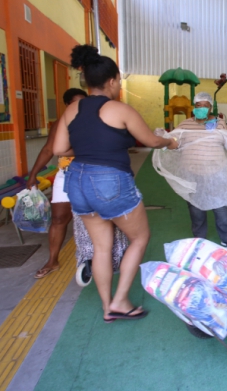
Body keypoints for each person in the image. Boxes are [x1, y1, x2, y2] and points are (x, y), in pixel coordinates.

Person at [53, 44, 178, 323]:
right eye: (119, 80)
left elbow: (60, 148)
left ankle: (108, 305)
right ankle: (120, 301)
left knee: (101, 247)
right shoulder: (119, 109)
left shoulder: (73, 108)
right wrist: (171, 142)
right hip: (109, 180)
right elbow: (150, 141)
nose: (119, 84)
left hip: (76, 181)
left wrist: (89, 148)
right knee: (140, 237)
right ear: (110, 81)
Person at [155, 91, 227, 250]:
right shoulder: (185, 125)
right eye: (198, 105)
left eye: (205, 106)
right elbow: (176, 145)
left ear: (211, 108)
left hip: (217, 173)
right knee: (196, 208)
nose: (201, 108)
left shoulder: (219, 124)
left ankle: (226, 238)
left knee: (221, 206)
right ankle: (199, 238)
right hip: (192, 173)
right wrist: (165, 138)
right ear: (194, 107)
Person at [27, 88, 87, 279]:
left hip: (90, 174)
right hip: (66, 174)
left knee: (92, 219)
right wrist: (33, 175)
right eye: (75, 103)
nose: (79, 107)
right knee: (59, 219)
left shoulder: (93, 122)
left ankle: (94, 259)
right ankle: (52, 260)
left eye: (82, 103)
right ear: (67, 105)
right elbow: (48, 150)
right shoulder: (60, 124)